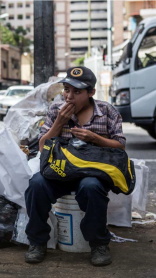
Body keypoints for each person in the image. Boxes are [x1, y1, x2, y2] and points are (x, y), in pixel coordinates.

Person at [24, 67, 126, 266]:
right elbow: (42, 147)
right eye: (66, 89)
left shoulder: (106, 111)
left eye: (77, 92)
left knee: (91, 187)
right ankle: (37, 242)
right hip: (60, 170)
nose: (69, 96)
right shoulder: (56, 110)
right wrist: (58, 124)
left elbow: (120, 146)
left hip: (91, 172)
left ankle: (98, 243)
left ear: (91, 93)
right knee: (36, 184)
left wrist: (95, 138)